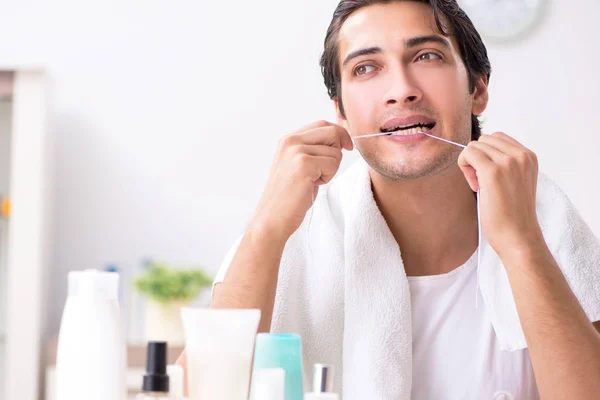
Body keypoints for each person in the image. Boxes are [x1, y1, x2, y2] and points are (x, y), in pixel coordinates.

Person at [178, 1, 600, 398]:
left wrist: (522, 240)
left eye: (426, 56)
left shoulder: (544, 219)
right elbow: (196, 392)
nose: (401, 90)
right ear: (341, 112)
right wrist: (265, 231)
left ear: (477, 89)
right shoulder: (297, 234)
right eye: (365, 68)